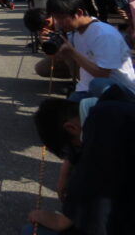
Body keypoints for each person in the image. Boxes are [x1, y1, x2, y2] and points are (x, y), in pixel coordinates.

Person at [25, 86, 135, 234]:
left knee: (32, 230)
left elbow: (96, 181)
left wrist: (62, 219)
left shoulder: (103, 121)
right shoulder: (114, 100)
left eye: (75, 147)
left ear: (71, 128)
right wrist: (66, 172)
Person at [46, 0, 135, 99]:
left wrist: (72, 53)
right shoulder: (77, 31)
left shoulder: (104, 34)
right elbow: (81, 71)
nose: (58, 23)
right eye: (56, 18)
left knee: (96, 85)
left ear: (78, 13)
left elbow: (103, 75)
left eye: (61, 18)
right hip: (87, 88)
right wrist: (62, 54)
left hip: (119, 91)